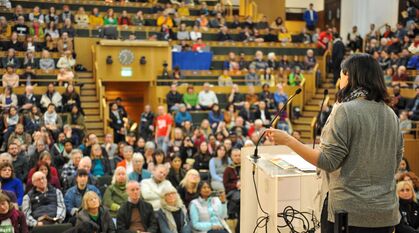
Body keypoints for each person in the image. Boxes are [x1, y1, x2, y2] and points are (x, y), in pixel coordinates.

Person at [266, 54, 403, 232]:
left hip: (349, 214)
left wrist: (288, 140)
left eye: (341, 75)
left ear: (349, 75)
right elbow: (396, 161)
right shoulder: (391, 114)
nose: (339, 80)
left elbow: (328, 162)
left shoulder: (346, 110)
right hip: (384, 214)